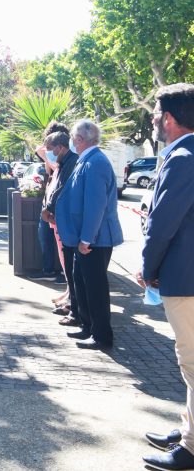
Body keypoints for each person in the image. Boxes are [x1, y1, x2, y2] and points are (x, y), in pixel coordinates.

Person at [135, 84, 194, 471]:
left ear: (169, 120)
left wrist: (147, 267)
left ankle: (191, 449)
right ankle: (189, 429)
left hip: (185, 280)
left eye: (155, 114)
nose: (153, 119)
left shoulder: (183, 158)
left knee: (191, 362)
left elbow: (164, 224)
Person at [54, 119, 123, 352]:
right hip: (85, 238)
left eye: (73, 137)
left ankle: (101, 335)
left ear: (80, 139)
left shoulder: (96, 163)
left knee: (95, 288)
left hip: (94, 240)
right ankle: (88, 325)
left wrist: (86, 239)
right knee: (81, 283)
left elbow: (96, 205)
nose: (71, 141)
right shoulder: (89, 160)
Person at [40, 128, 78, 324]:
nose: (48, 152)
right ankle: (72, 303)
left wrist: (49, 207)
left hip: (67, 222)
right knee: (69, 266)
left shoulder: (71, 162)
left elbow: (61, 189)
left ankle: (74, 307)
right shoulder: (64, 162)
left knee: (72, 266)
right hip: (61, 219)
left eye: (50, 149)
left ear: (61, 147)